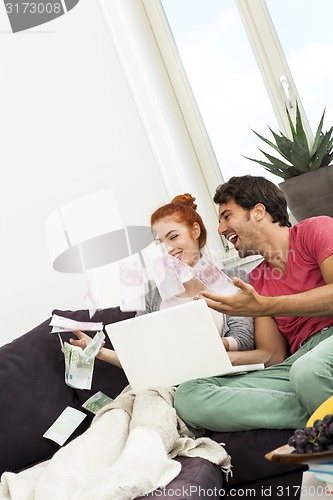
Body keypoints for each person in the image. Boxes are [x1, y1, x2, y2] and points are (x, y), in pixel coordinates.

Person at [174, 175, 333, 432]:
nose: (220, 229)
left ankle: (318, 407)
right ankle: (317, 408)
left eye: (227, 216)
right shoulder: (257, 279)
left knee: (308, 372)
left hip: (322, 352)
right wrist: (211, 355)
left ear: (258, 212)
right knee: (189, 395)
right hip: (298, 363)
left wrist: (265, 306)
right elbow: (272, 355)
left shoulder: (315, 230)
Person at [70, 193, 255, 364]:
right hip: (162, 381)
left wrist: (191, 347)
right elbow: (141, 357)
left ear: (195, 231)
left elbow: (243, 340)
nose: (168, 249)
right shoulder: (154, 291)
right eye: (160, 243)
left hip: (212, 374)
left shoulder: (233, 279)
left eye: (173, 237)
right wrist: (99, 352)